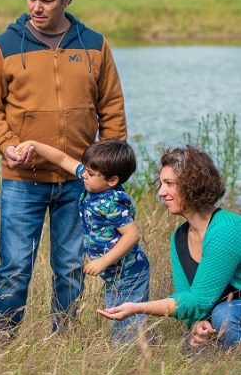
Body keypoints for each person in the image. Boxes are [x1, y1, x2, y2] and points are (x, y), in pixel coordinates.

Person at [0, 0, 127, 336]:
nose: (35, 8)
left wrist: (109, 171)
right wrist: (6, 143)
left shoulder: (94, 45)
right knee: (13, 268)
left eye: (46, 0)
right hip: (21, 180)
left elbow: (111, 109)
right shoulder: (5, 45)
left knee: (71, 266)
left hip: (79, 180)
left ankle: (64, 341)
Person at [99, 147, 241, 350]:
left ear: (193, 185)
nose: (161, 192)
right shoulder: (179, 238)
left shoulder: (226, 229)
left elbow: (199, 300)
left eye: (169, 184)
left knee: (223, 315)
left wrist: (137, 308)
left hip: (231, 311)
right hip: (229, 310)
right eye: (161, 184)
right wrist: (197, 324)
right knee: (191, 345)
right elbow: (187, 300)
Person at [15, 138, 150, 342]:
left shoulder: (111, 203)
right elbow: (62, 158)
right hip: (114, 275)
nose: (84, 175)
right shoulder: (93, 180)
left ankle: (134, 357)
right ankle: (141, 344)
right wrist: (35, 144)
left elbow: (132, 235)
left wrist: (102, 262)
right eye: (85, 170)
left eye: (90, 174)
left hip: (129, 274)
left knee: (124, 325)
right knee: (120, 319)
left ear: (112, 180)